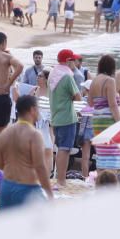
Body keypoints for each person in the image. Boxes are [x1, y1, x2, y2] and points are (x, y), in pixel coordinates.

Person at [0, 95, 53, 211]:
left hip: (6, 187)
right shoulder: (34, 134)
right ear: (32, 110)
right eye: (37, 108)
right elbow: (39, 166)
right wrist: (49, 193)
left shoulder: (5, 133)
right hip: (27, 188)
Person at [49, 49, 82, 187]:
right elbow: (78, 97)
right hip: (67, 117)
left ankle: (59, 179)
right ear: (68, 61)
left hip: (56, 117)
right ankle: (61, 180)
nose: (75, 62)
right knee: (65, 149)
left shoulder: (53, 73)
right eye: (73, 60)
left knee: (61, 149)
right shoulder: (67, 76)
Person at [88, 54, 120, 175]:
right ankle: (111, 181)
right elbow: (113, 104)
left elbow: (90, 103)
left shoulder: (94, 81)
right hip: (108, 120)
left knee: (102, 154)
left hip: (97, 120)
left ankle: (101, 181)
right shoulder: (110, 81)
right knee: (112, 154)